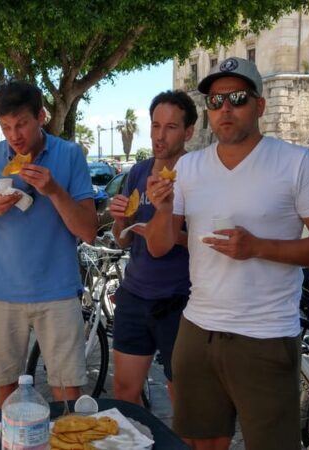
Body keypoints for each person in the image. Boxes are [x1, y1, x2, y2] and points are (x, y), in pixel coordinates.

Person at [146, 57, 309, 450]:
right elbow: (158, 245)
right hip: (197, 330)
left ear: (260, 105)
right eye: (215, 100)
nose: (225, 108)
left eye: (237, 98)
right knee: (200, 443)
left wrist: (258, 247)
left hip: (266, 334)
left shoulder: (296, 162)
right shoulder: (189, 167)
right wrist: (164, 208)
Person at [0, 80, 97, 407]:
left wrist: (54, 191)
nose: (14, 135)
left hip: (59, 294)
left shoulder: (69, 154)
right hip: (2, 295)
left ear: (41, 116)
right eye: (5, 127)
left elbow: (88, 231)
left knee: (68, 393)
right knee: (6, 394)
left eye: (21, 124)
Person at [107, 90, 195, 406]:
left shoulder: (197, 174)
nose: (160, 136)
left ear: (188, 132)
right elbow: (123, 239)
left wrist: (167, 233)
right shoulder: (139, 172)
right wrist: (122, 220)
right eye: (156, 126)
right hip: (134, 294)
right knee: (124, 390)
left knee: (181, 397)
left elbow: (211, 242)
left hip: (180, 300)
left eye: (170, 127)